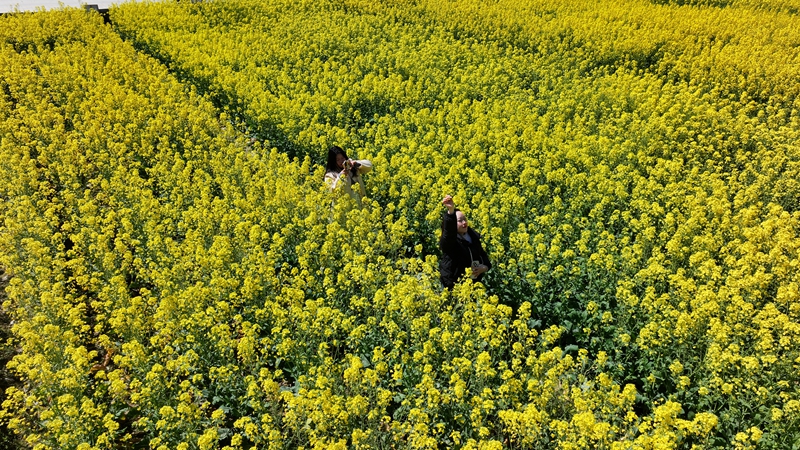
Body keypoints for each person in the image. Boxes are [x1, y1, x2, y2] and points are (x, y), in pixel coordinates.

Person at [439, 194, 491, 289]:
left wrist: (484, 268)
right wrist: (451, 212)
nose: (464, 223)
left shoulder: (473, 237)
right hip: (453, 285)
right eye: (460, 221)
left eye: (465, 219)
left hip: (473, 285)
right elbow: (448, 232)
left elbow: (483, 256)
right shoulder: (450, 242)